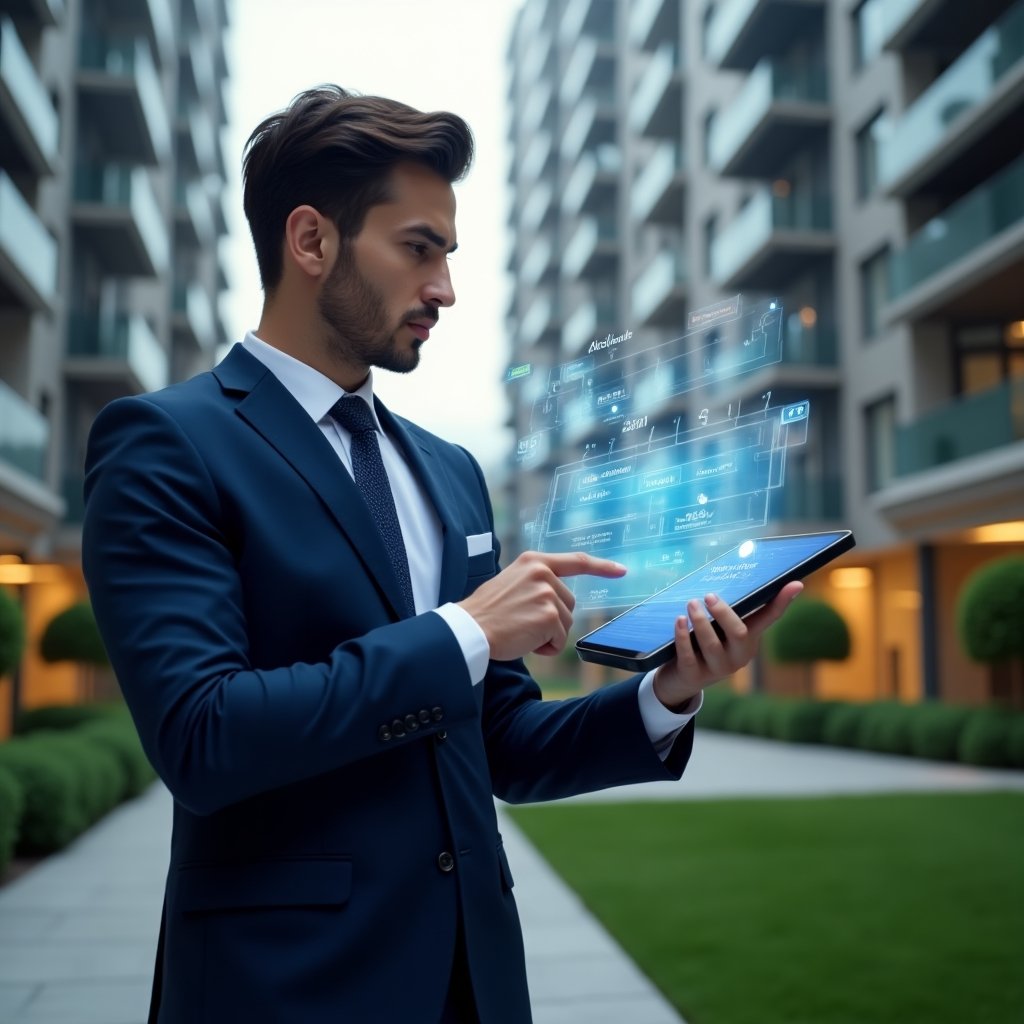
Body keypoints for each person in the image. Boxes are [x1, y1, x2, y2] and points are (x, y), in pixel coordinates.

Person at [81, 85, 801, 1024]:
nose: (445, 289)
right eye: (419, 249)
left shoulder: (451, 472)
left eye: (449, 255)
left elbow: (501, 742)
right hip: (283, 989)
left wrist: (665, 694)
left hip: (476, 987)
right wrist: (463, 629)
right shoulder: (165, 442)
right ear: (311, 242)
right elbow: (204, 736)